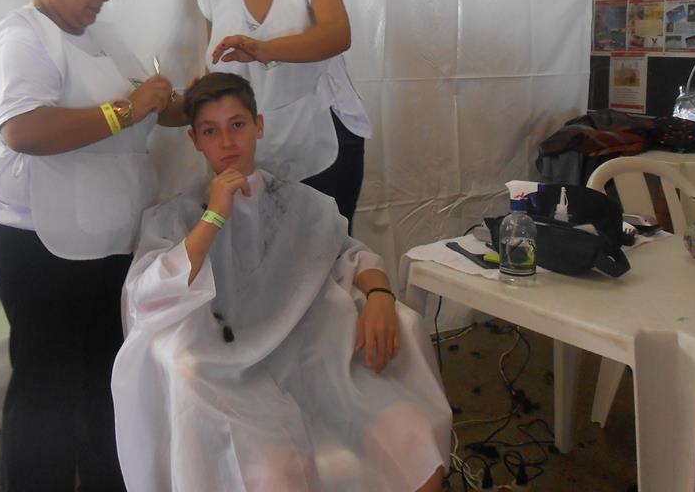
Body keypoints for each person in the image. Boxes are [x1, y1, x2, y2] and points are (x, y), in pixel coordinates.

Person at [112, 73, 450, 492]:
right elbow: (148, 296)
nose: (227, 142)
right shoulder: (175, 218)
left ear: (259, 126)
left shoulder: (301, 204)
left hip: (318, 365)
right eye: (210, 131)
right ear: (194, 140)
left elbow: (350, 254)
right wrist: (214, 216)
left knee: (413, 439)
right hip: (232, 382)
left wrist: (380, 294)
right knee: (277, 473)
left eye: (237, 124)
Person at [0, 0, 184, 492]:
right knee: (47, 389)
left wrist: (186, 103)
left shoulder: (103, 38)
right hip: (40, 243)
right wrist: (126, 110)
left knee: (103, 381)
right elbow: (24, 130)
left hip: (106, 238)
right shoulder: (21, 40)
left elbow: (147, 106)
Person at [192, 0, 371, 231]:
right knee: (266, 251)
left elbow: (337, 34)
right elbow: (217, 69)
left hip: (324, 133)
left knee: (328, 246)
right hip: (258, 144)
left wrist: (263, 49)